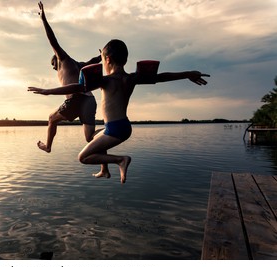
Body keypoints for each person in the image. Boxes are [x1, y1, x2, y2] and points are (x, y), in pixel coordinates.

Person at [28, 39, 210, 183]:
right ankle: (104, 170)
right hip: (122, 127)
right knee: (92, 137)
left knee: (83, 157)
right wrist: (187, 74)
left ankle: (120, 160)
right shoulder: (131, 78)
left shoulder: (106, 81)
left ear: (107, 60)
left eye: (104, 60)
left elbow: (76, 87)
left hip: (115, 130)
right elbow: (160, 77)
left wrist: (48, 91)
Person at [36, 1, 101, 154]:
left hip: (75, 100)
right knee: (90, 137)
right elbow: (93, 61)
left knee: (51, 119)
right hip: (89, 99)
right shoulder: (78, 64)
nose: (53, 68)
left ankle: (48, 147)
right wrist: (102, 55)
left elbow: (53, 41)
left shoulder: (63, 60)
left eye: (53, 64)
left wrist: (44, 20)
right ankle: (105, 164)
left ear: (56, 59)